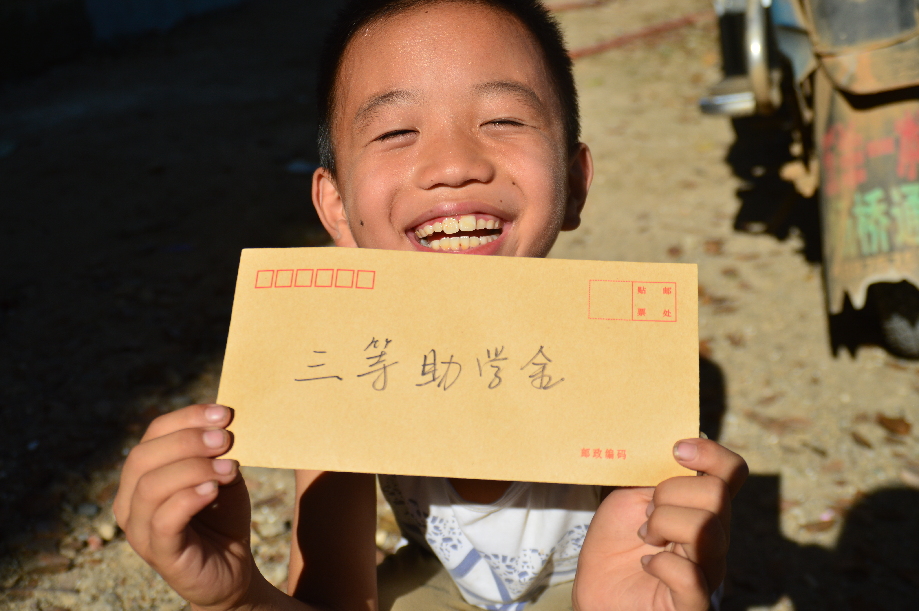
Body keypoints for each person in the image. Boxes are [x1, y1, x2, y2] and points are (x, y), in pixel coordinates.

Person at [113, 1, 748, 610]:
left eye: (503, 120)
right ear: (336, 207)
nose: (452, 165)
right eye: (395, 131)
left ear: (575, 182)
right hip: (441, 584)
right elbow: (336, 599)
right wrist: (233, 598)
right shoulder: (338, 372)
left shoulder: (621, 360)